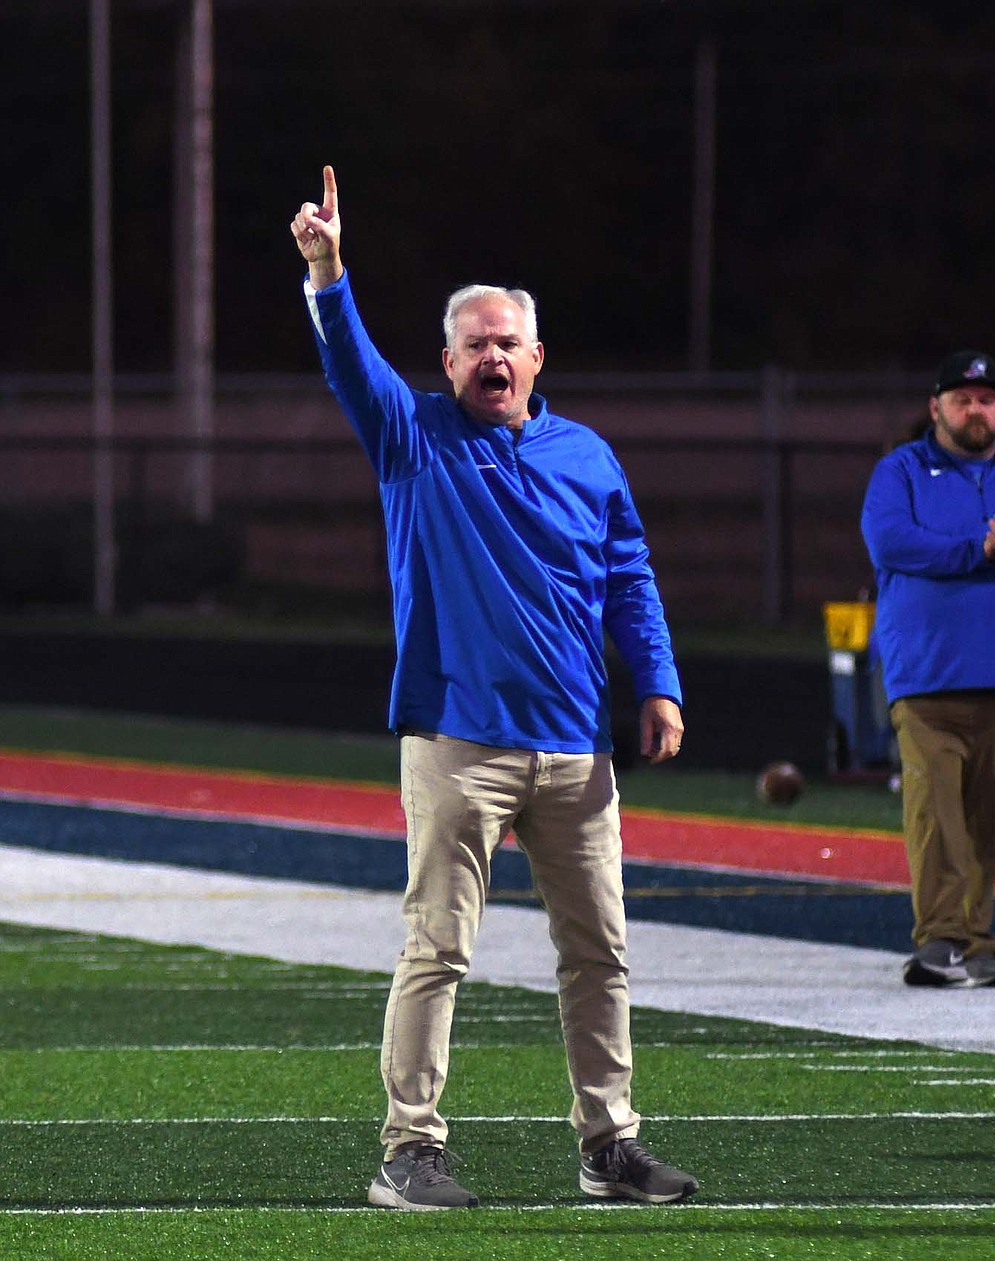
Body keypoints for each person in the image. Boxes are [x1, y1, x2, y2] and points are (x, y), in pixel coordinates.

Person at [290, 166, 698, 1210]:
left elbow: (629, 577)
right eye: (472, 343)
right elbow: (349, 363)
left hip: (576, 746)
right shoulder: (412, 436)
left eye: (506, 341)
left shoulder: (587, 456)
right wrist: (329, 272)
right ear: (446, 362)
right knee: (437, 950)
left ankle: (609, 1145)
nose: (491, 357)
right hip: (457, 738)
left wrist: (654, 683)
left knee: (599, 953)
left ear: (535, 357)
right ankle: (408, 1149)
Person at [861, 350, 995, 988]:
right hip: (926, 680)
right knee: (936, 818)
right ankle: (938, 944)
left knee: (991, 824)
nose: (976, 409)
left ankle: (976, 944)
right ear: (936, 408)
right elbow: (891, 542)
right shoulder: (901, 471)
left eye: (987, 399)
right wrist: (980, 548)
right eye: (963, 399)